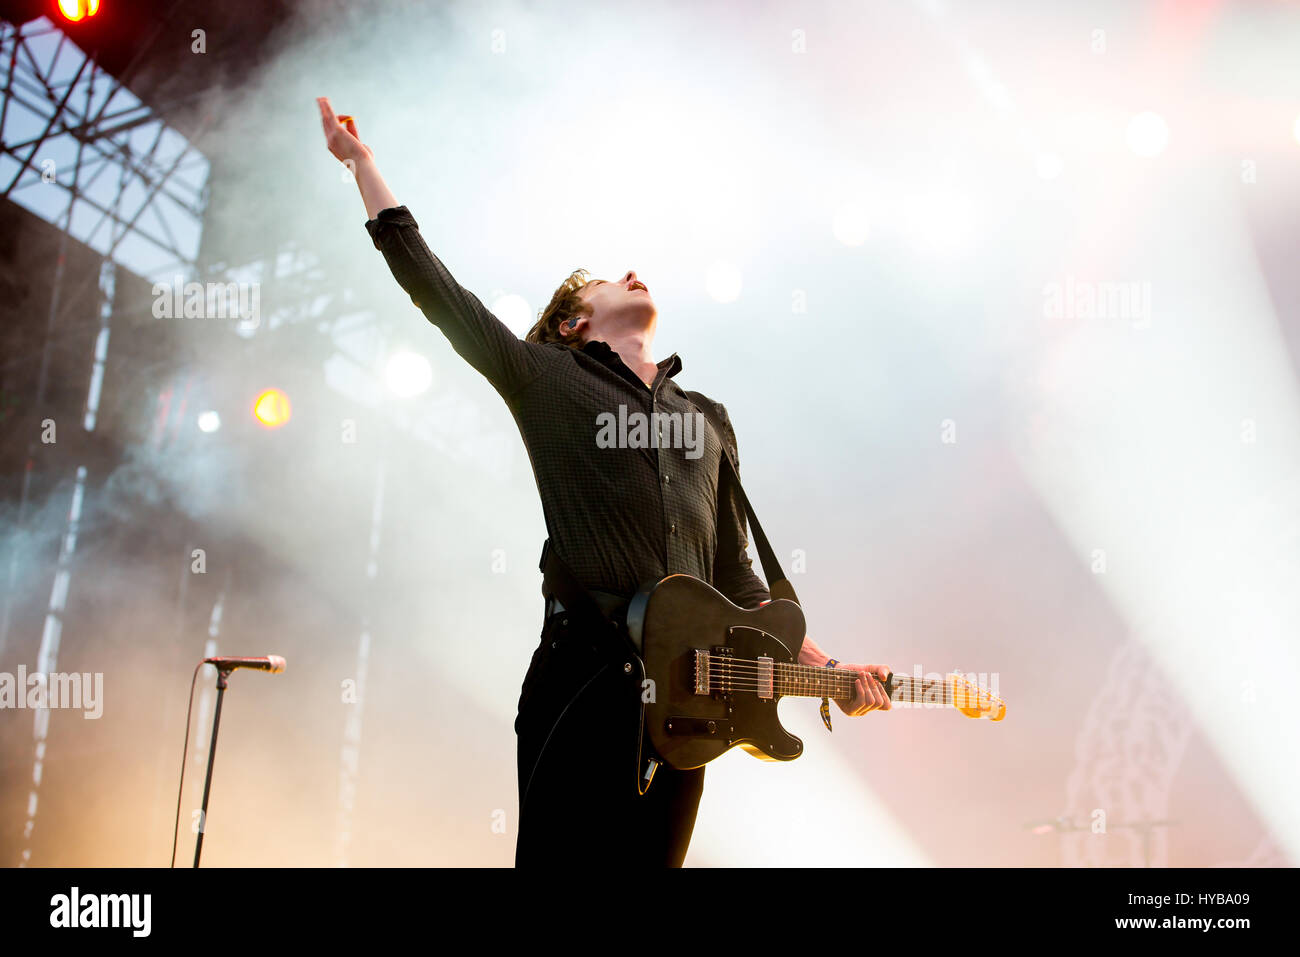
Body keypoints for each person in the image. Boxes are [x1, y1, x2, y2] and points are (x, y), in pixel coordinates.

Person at [316, 96, 892, 867]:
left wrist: (824, 669)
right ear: (570, 324)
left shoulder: (708, 417)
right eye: (601, 282)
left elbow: (737, 578)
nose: (629, 273)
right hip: (584, 677)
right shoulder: (545, 377)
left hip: (690, 709)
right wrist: (364, 166)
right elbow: (434, 287)